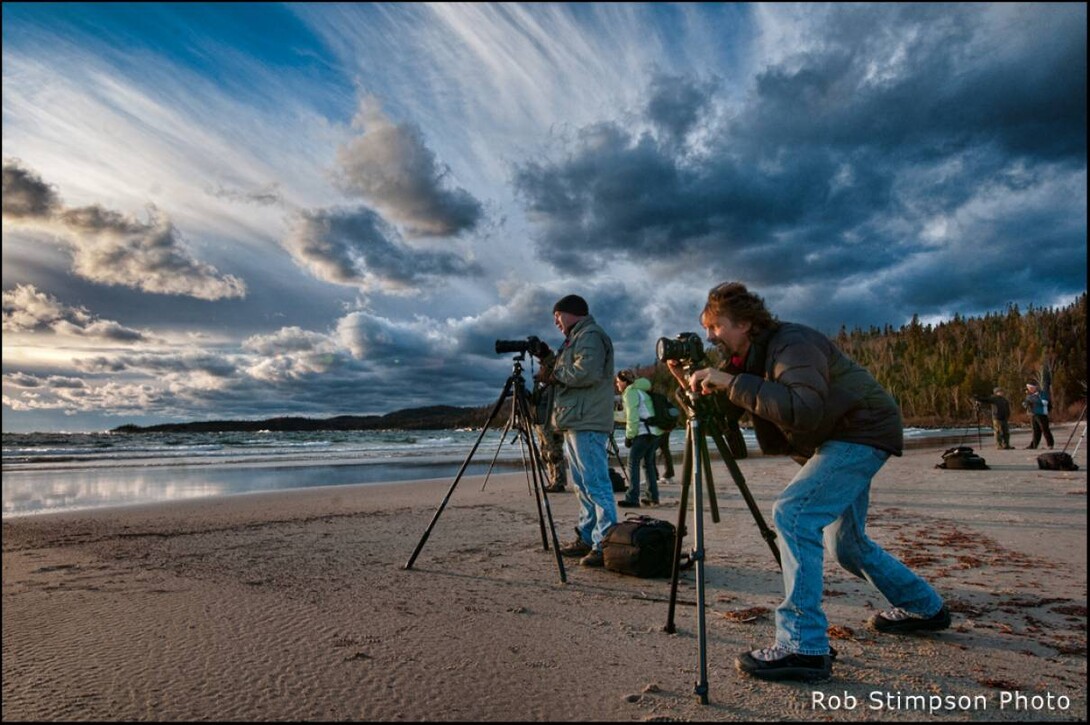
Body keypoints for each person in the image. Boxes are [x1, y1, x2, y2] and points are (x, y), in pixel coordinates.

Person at [668, 281, 949, 683]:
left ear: (745, 323)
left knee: (794, 513)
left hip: (860, 431)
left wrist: (730, 383)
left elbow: (803, 407)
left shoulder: (792, 343)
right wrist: (692, 388)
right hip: (840, 437)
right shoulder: (745, 359)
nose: (710, 336)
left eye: (715, 326)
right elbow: (725, 419)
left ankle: (803, 645)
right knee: (847, 545)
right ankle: (924, 606)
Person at [533, 294, 617, 568]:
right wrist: (547, 358)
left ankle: (604, 542)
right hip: (575, 419)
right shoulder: (576, 338)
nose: (556, 322)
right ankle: (587, 536)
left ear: (571, 313)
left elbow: (586, 372)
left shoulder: (590, 335)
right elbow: (567, 368)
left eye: (557, 316)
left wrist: (554, 375)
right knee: (582, 485)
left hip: (587, 420)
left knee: (595, 484)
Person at [614, 369, 662, 507]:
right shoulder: (641, 391)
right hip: (654, 432)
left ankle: (632, 498)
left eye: (618, 382)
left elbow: (633, 418)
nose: (617, 385)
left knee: (632, 463)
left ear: (624, 381)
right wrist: (612, 415)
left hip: (643, 433)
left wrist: (629, 436)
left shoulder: (630, 392)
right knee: (648, 465)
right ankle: (653, 497)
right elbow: (628, 415)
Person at [531, 379, 568, 492]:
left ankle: (559, 481)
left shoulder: (555, 384)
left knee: (554, 453)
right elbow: (535, 401)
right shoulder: (538, 385)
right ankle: (553, 480)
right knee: (545, 453)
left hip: (551, 424)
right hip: (540, 423)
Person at [1023, 380, 1055, 449]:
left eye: (1031, 387)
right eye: (1028, 388)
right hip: (1033, 414)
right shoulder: (1029, 395)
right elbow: (1026, 403)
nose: (1029, 389)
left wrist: (1033, 400)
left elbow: (1045, 402)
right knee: (1035, 431)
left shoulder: (1042, 393)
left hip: (1041, 414)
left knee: (1045, 429)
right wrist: (1026, 404)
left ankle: (1050, 444)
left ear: (1035, 387)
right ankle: (1034, 445)